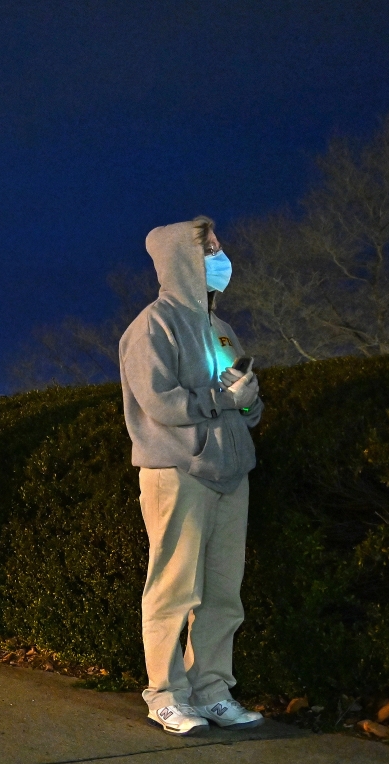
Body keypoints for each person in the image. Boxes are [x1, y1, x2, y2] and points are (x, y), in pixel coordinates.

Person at [119, 217, 265, 736]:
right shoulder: (151, 327)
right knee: (174, 589)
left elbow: (241, 400)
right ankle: (165, 694)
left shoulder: (221, 328)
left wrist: (248, 404)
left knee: (224, 592)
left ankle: (212, 691)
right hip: (177, 472)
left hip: (231, 472)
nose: (220, 255)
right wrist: (222, 400)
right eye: (209, 248)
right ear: (181, 258)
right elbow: (158, 401)